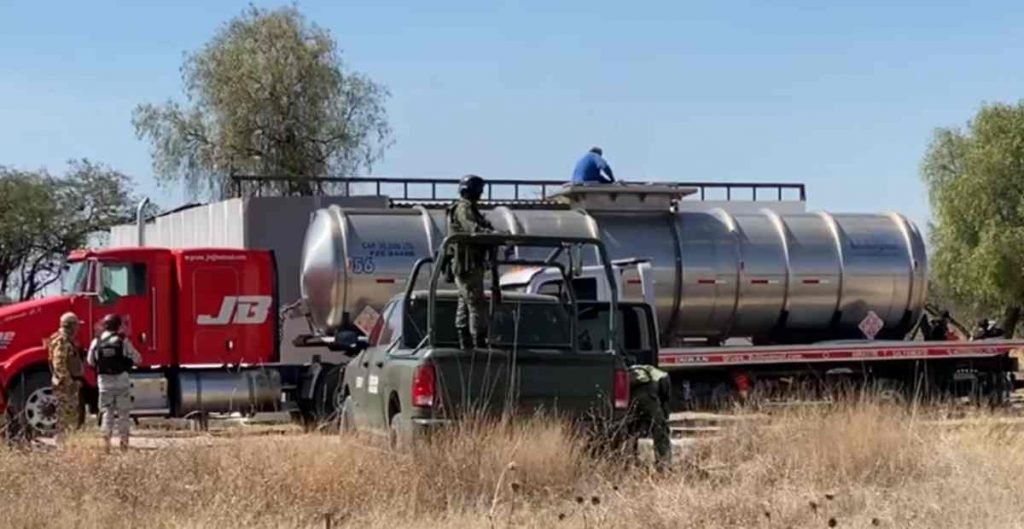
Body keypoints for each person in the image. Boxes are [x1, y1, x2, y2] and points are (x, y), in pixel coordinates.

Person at [445, 174, 495, 349]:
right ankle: (477, 342)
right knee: (476, 304)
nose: (481, 194)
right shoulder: (463, 208)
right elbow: (472, 228)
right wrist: (489, 234)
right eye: (479, 190)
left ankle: (465, 341)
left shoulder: (469, 208)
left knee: (465, 303)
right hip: (468, 264)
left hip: (469, 263)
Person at [86, 314, 141, 452]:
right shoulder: (123, 340)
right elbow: (137, 359)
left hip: (104, 384)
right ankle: (124, 444)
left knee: (107, 414)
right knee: (123, 415)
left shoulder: (96, 341)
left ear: (105, 325)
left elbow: (90, 361)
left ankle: (106, 445)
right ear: (118, 325)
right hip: (122, 383)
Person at [626, 364, 673, 472]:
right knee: (661, 430)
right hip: (649, 396)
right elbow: (665, 396)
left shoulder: (629, 371)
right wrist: (665, 413)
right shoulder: (661, 374)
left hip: (631, 397)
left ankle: (630, 463)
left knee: (631, 432)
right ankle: (663, 464)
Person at [48, 312, 85, 445]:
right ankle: (61, 443)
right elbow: (59, 364)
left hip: (68, 382)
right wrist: (69, 382)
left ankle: (65, 441)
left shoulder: (66, 339)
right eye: (76, 325)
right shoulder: (62, 341)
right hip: (65, 385)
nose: (78, 328)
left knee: (68, 413)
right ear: (70, 326)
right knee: (64, 414)